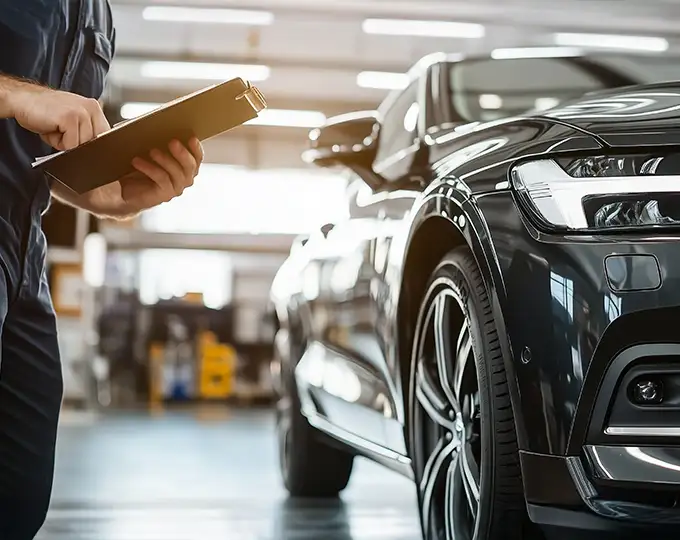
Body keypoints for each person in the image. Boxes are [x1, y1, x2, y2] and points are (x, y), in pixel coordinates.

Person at [0, 1, 203, 538]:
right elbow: (25, 103)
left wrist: (111, 198)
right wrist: (15, 92)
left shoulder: (96, 14)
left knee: (18, 498)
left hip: (24, 253)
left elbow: (37, 147)